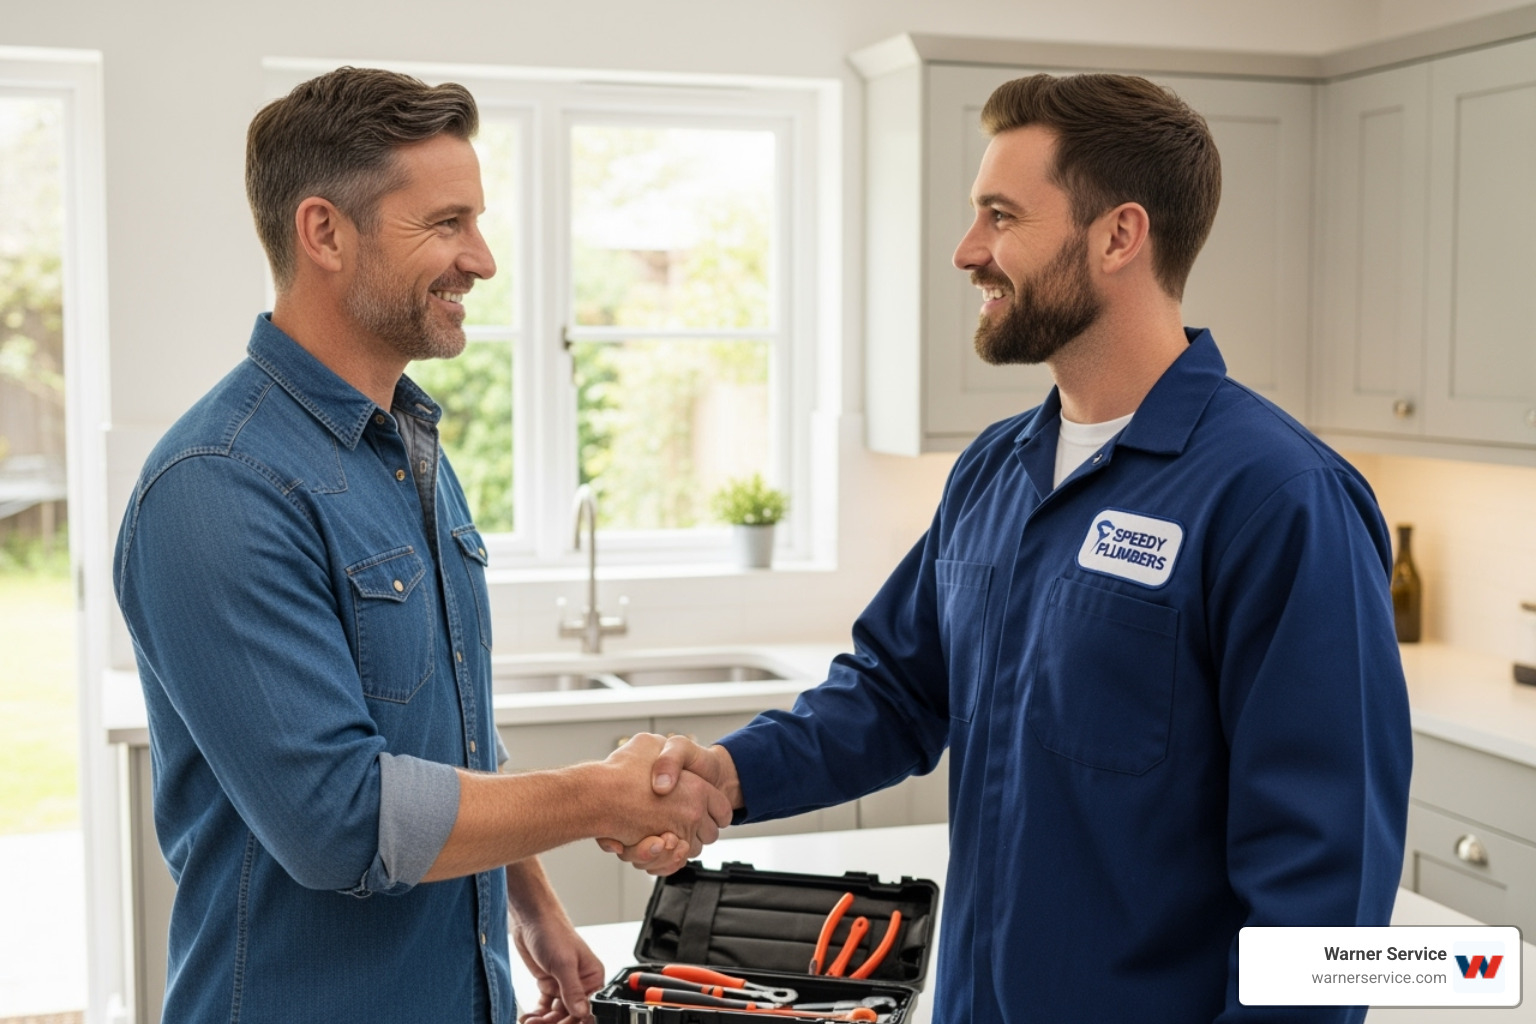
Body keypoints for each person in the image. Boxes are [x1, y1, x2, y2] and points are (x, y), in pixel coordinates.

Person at [611, 73, 1413, 1022]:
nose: (968, 252)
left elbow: (1324, 889)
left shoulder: (1280, 501)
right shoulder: (997, 470)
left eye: (1001, 216)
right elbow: (897, 693)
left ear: (1119, 235)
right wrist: (730, 776)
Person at [113, 67, 730, 1024]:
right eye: (446, 224)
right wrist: (602, 798)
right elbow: (344, 819)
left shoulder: (400, 449)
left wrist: (533, 903)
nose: (481, 259)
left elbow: (444, 729)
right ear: (324, 232)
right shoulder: (218, 485)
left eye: (476, 222)